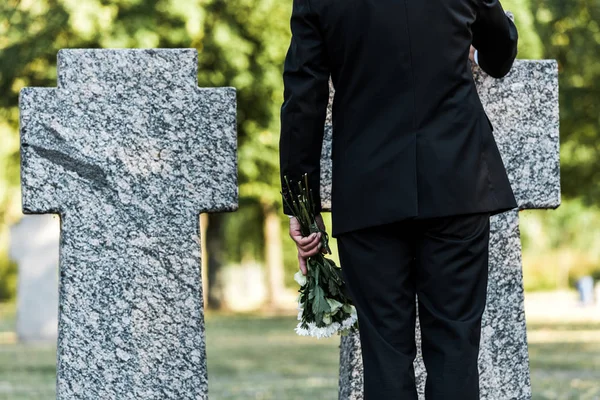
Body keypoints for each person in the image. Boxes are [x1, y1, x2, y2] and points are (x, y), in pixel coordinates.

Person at [279, 0, 518, 398]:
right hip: (457, 183)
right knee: (455, 351)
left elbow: (304, 95)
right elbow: (499, 52)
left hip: (368, 190)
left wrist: (301, 205)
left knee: (385, 357)